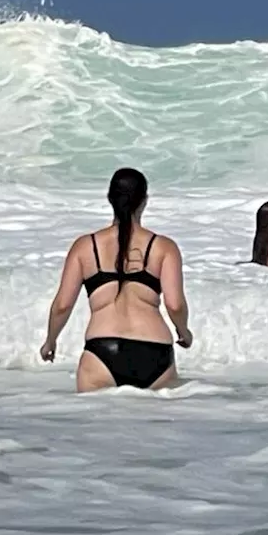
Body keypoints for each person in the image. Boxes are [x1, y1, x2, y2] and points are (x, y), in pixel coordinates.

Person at [40, 168, 192, 393]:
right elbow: (175, 304)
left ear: (110, 198)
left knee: (95, 427)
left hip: (101, 353)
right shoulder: (163, 247)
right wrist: (183, 332)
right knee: (158, 426)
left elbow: (63, 305)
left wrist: (50, 341)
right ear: (145, 200)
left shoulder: (85, 246)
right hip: (155, 353)